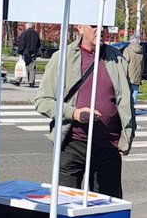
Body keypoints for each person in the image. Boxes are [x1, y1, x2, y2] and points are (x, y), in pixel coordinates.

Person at [33, 23, 136, 198]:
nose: (101, 30)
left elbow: (126, 103)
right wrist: (74, 113)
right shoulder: (62, 58)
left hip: (108, 146)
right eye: (94, 25)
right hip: (73, 143)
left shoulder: (117, 59)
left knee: (107, 207)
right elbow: (42, 101)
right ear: (80, 28)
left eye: (104, 26)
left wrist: (126, 137)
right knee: (65, 205)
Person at [15, 23, 42, 87]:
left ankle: (18, 81)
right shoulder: (36, 34)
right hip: (33, 53)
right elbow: (39, 44)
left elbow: (22, 43)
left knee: (22, 67)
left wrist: (20, 52)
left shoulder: (24, 33)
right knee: (32, 68)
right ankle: (31, 82)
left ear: (26, 27)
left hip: (25, 53)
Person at [124, 36, 144, 107]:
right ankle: (132, 106)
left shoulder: (128, 50)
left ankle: (128, 108)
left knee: (127, 92)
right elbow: (142, 65)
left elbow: (124, 62)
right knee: (135, 92)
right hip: (137, 75)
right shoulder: (141, 51)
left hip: (128, 75)